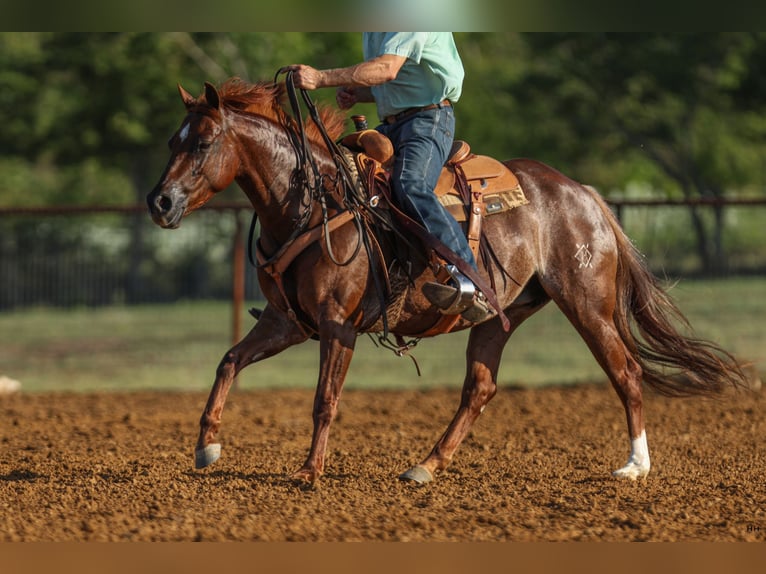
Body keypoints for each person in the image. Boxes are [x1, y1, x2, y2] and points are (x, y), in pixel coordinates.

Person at [286, 32, 491, 322]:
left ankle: (469, 279)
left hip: (429, 121)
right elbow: (399, 80)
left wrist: (320, 78)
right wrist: (360, 93)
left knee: (410, 185)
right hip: (394, 124)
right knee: (337, 175)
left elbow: (387, 69)